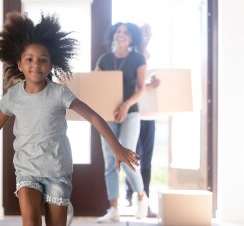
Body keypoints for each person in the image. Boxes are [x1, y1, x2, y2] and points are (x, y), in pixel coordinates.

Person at [0, 12, 139, 226]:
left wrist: (117, 148)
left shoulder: (59, 93)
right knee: (30, 222)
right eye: (29, 59)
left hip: (57, 171)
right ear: (19, 64)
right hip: (27, 171)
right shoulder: (13, 96)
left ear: (51, 65)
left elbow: (93, 117)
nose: (36, 64)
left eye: (43, 60)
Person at [95, 22, 149, 223]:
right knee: (110, 161)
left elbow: (141, 89)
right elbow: (95, 84)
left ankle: (142, 197)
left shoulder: (138, 58)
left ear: (132, 37)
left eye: (126, 32)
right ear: (113, 35)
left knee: (126, 158)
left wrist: (125, 105)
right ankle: (113, 209)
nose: (121, 34)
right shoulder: (104, 59)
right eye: (118, 31)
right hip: (107, 115)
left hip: (131, 114)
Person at [124, 23, 160, 218]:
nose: (145, 35)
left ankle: (145, 202)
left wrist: (156, 82)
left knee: (147, 161)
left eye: (148, 32)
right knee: (131, 158)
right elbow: (129, 83)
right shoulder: (130, 57)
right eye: (142, 32)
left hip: (150, 115)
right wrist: (146, 83)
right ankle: (130, 197)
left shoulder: (154, 59)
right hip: (133, 114)